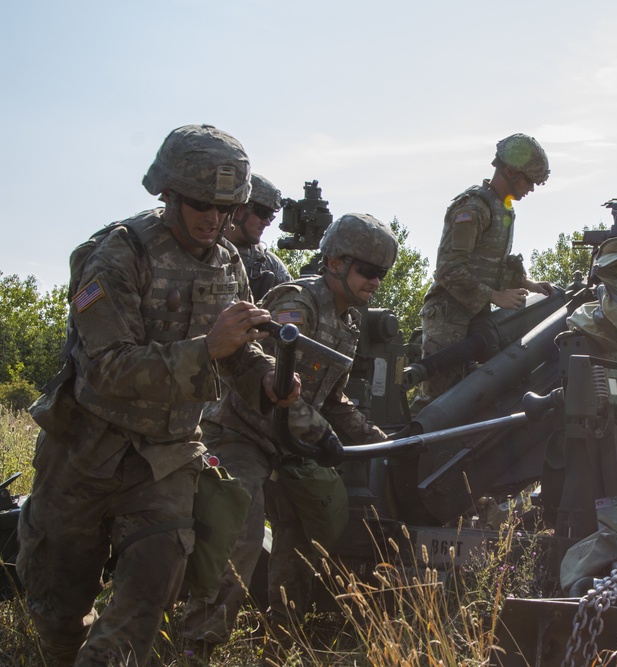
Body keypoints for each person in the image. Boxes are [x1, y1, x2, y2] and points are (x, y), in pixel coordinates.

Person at [16, 124, 300, 667]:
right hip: (84, 454)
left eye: (226, 207)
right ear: (166, 192)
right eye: (200, 203)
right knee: (58, 616)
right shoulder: (117, 256)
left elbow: (237, 352)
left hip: (166, 462)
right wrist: (207, 349)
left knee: (144, 601)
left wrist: (265, 378)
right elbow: (107, 369)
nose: (212, 219)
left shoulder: (228, 263)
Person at [180, 212, 398, 659]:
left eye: (382, 274)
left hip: (292, 445)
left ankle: (283, 642)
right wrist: (322, 435)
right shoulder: (297, 302)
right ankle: (197, 645)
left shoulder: (349, 322)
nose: (375, 282)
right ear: (336, 263)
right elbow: (269, 379)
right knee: (238, 529)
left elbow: (333, 399)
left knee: (305, 537)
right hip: (243, 433)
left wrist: (380, 440)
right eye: (368, 271)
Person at [416, 133, 556, 404]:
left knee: (470, 399)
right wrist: (495, 297)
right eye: (529, 179)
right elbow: (448, 269)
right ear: (510, 170)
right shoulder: (474, 207)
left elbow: (493, 264)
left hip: (475, 316)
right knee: (440, 399)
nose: (532, 189)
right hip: (448, 316)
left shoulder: (501, 208)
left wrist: (529, 284)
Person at [225, 172, 291, 301]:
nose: (267, 222)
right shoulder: (206, 254)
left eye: (270, 216)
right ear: (238, 210)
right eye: (262, 213)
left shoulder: (269, 263)